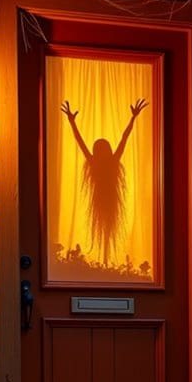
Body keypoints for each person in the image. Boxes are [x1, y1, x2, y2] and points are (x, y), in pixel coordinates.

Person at [61, 98, 148, 266]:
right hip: (103, 200)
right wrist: (72, 123)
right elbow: (83, 142)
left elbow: (123, 139)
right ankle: (104, 262)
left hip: (109, 200)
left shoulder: (102, 162)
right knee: (103, 230)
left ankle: (106, 262)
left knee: (106, 230)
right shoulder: (105, 162)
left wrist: (133, 119)